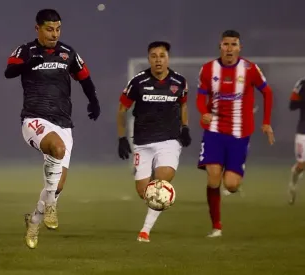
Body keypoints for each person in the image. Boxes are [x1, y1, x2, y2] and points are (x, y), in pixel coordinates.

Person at [4, 9, 101, 249]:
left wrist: (94, 100)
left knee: (56, 186)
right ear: (37, 28)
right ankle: (51, 208)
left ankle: (34, 220)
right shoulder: (25, 51)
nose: (54, 34)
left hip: (63, 123)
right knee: (56, 148)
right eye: (49, 29)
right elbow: (9, 72)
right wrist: (28, 63)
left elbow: (85, 78)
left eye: (58, 29)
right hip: (34, 119)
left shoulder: (68, 53)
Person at [196, 30, 274, 238]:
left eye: (233, 44)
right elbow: (199, 97)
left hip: (239, 133)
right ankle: (216, 227)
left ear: (240, 47)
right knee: (213, 177)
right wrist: (204, 113)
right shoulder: (207, 69)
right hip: (214, 131)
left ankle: (235, 170)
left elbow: (267, 92)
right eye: (226, 44)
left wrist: (266, 122)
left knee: (230, 185)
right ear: (220, 46)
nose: (229, 48)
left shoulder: (249, 69)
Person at [117, 41, 191, 243]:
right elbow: (122, 109)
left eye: (162, 55)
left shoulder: (179, 81)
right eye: (153, 56)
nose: (158, 60)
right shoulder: (138, 82)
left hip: (169, 141)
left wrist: (185, 127)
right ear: (149, 58)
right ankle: (148, 223)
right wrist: (122, 137)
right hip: (143, 142)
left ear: (168, 58)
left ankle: (145, 230)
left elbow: (183, 105)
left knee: (160, 184)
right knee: (144, 191)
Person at [288, 78, 305, 204]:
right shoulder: (302, 84)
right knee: (301, 165)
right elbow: (292, 105)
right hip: (303, 131)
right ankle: (292, 186)